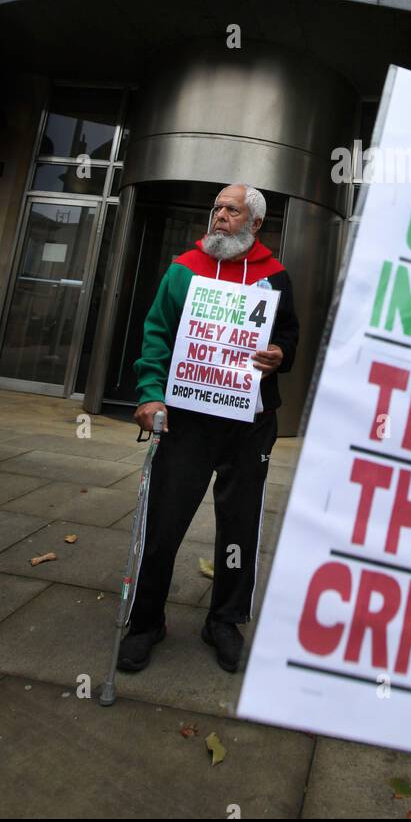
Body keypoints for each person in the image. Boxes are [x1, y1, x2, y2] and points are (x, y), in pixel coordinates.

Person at [118, 183, 299, 675]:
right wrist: (150, 393)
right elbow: (156, 333)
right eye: (217, 208)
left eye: (232, 210)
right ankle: (146, 620)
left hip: (250, 423)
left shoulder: (276, 276)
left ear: (255, 223)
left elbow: (288, 336)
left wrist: (280, 355)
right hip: (187, 418)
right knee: (164, 521)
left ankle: (224, 619)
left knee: (239, 525)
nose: (219, 216)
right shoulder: (184, 267)